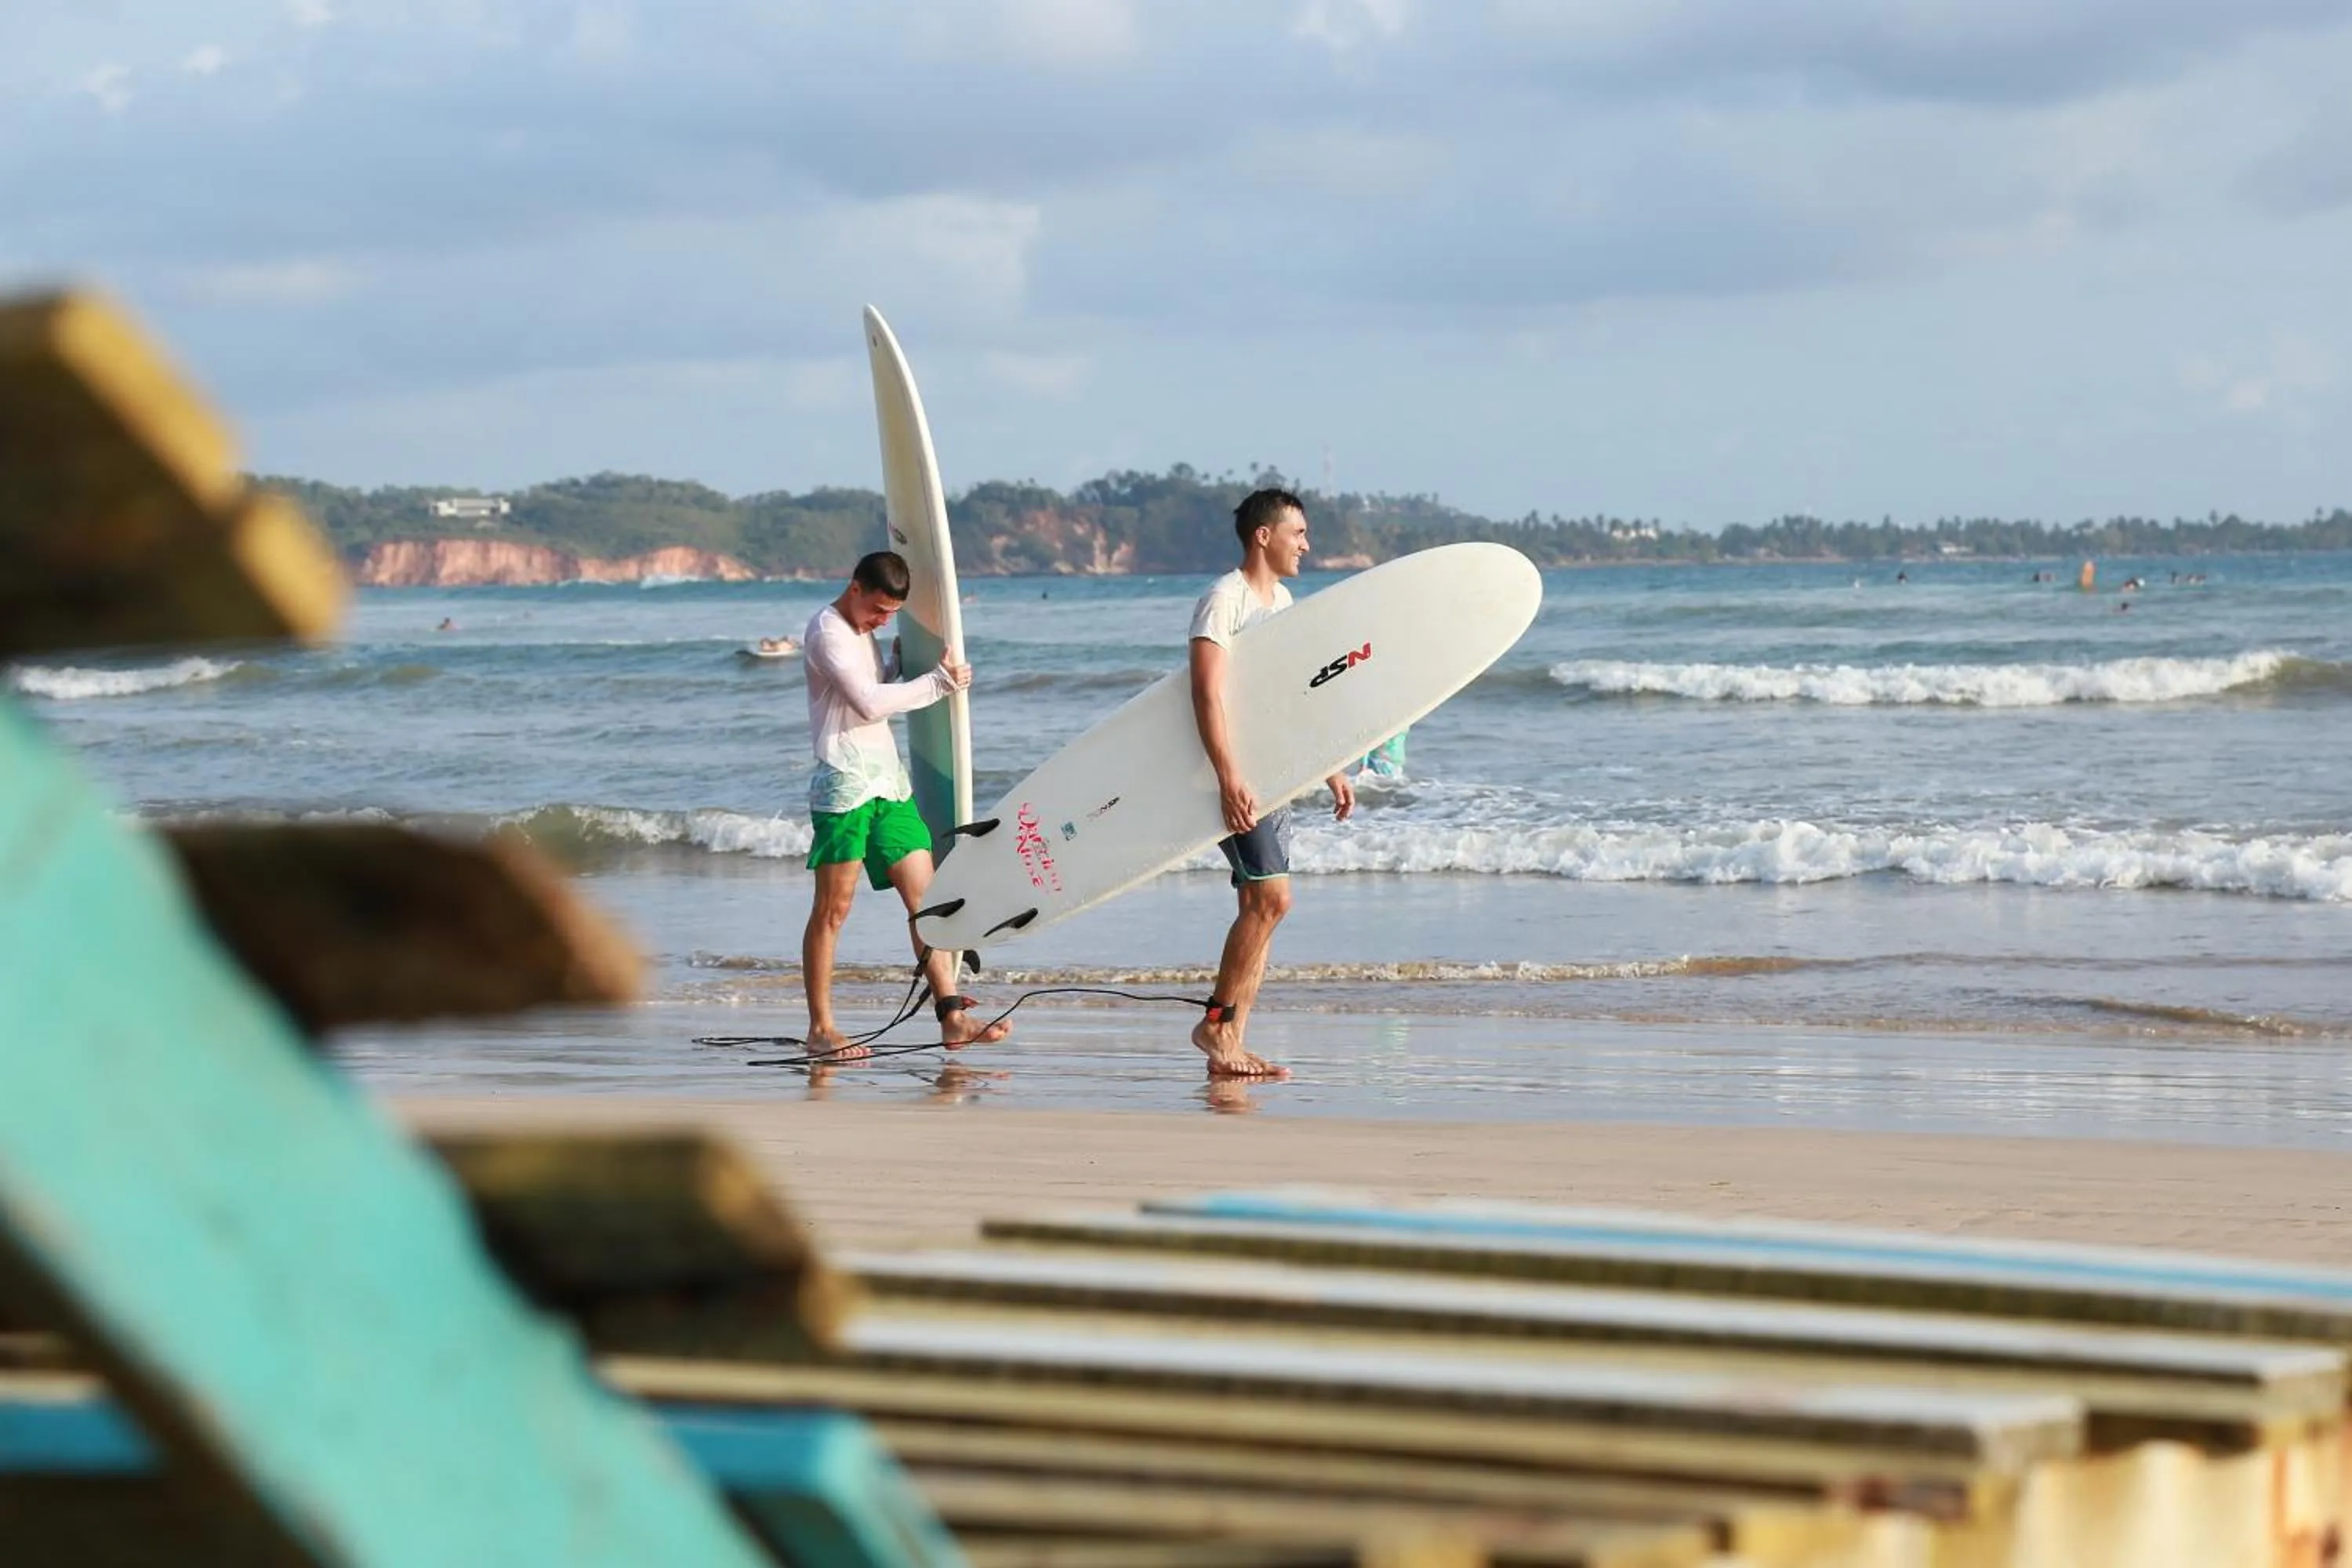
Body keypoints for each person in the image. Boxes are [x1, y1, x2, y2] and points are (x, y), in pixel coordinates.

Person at [800, 550, 1009, 1060]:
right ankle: (821, 1028)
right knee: (834, 910)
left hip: (889, 787)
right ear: (854, 587)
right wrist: (936, 682)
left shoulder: (861, 631)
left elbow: (872, 688)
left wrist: (895, 665)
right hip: (845, 787)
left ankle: (953, 1017)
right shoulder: (827, 631)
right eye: (878, 611)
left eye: (892, 613)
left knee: (929, 903)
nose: (883, 620)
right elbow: (867, 704)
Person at [1186, 488, 1353, 1080]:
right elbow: (1206, 694)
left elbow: (1290, 697)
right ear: (1265, 535)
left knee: (1262, 907)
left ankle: (1231, 1041)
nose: (1306, 544)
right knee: (1273, 898)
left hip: (1274, 775)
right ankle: (1216, 1025)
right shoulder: (1223, 600)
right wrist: (1229, 777)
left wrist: (1328, 765)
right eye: (1298, 533)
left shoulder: (1281, 600)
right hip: (1234, 776)